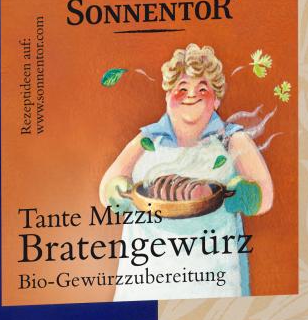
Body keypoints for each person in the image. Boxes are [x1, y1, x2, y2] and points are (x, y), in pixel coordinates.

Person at [99, 43, 273, 299]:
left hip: (212, 269)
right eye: (182, 88)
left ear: (216, 99)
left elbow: (265, 196)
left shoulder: (232, 140)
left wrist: (247, 195)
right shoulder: (148, 139)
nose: (192, 95)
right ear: (168, 95)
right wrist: (116, 191)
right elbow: (108, 186)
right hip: (148, 269)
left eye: (202, 89)